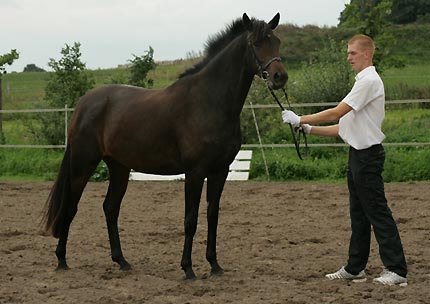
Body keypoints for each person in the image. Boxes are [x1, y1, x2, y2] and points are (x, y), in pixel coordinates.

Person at [282, 34, 408, 286]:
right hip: (358, 156)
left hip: (368, 158)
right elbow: (343, 127)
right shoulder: (362, 82)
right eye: (348, 53)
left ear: (366, 54)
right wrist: (308, 130)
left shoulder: (369, 81)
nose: (348, 57)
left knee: (377, 212)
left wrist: (301, 118)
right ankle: (355, 267)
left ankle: (396, 270)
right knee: (359, 214)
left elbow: (337, 112)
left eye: (352, 53)